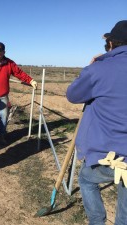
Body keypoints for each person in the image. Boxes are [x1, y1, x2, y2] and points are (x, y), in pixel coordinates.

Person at [66, 20, 127, 225]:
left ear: (111, 43)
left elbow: (73, 95)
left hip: (107, 154)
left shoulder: (100, 69)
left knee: (86, 180)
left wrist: (92, 67)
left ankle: (97, 221)